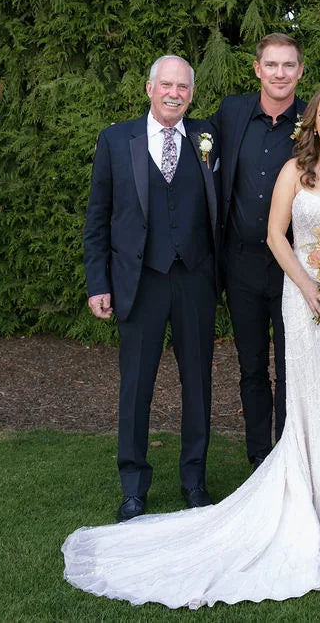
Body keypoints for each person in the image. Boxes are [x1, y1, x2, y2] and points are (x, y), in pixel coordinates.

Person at [62, 85, 320, 608]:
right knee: (307, 393)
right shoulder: (295, 171)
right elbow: (276, 235)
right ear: (312, 123)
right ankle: (295, 494)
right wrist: (310, 285)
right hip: (305, 296)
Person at [82, 55, 219, 522]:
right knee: (136, 386)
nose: (174, 93)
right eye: (166, 85)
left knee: (198, 384)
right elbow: (98, 218)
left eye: (183, 87)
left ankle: (194, 481)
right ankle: (134, 486)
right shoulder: (116, 140)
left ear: (191, 94)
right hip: (138, 282)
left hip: (196, 279)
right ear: (149, 88)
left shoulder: (208, 138)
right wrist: (98, 282)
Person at [211, 33, 305, 468]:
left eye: (288, 65)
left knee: (291, 367)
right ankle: (259, 459)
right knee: (251, 367)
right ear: (257, 69)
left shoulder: (314, 122)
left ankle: (288, 457)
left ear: (299, 72)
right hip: (241, 263)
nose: (280, 73)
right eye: (272, 65)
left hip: (293, 265)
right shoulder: (231, 113)